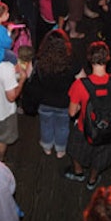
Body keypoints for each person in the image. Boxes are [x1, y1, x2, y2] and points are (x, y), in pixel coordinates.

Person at [65, 41, 111, 190]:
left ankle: (78, 172)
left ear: (89, 59)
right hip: (108, 129)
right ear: (108, 58)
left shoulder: (81, 85)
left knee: (75, 150)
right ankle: (92, 180)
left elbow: (72, 112)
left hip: (84, 128)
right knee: (101, 157)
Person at [34, 29, 83, 159]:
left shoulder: (39, 62)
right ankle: (60, 149)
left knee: (45, 124)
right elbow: (83, 80)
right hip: (65, 103)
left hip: (44, 101)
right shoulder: (71, 62)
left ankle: (47, 146)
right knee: (62, 126)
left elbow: (30, 76)